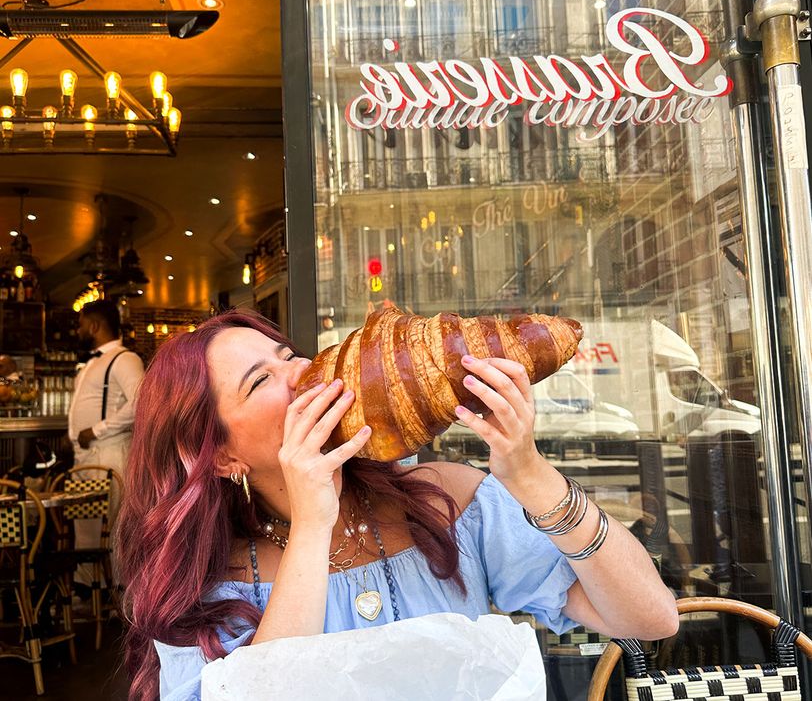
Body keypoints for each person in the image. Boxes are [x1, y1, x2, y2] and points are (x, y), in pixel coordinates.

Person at [117, 309, 678, 701]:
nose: (300, 372)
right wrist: (314, 525)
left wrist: (532, 478)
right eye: (262, 378)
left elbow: (649, 617)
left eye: (288, 355)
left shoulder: (447, 501)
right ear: (220, 457)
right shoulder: (201, 588)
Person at [69, 299, 144, 586]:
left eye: (80, 325)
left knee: (117, 526)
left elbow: (140, 403)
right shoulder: (93, 362)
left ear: (94, 325)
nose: (78, 330)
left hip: (110, 452)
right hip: (87, 456)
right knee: (85, 526)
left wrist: (97, 429)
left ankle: (122, 593)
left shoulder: (124, 359)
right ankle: (90, 591)